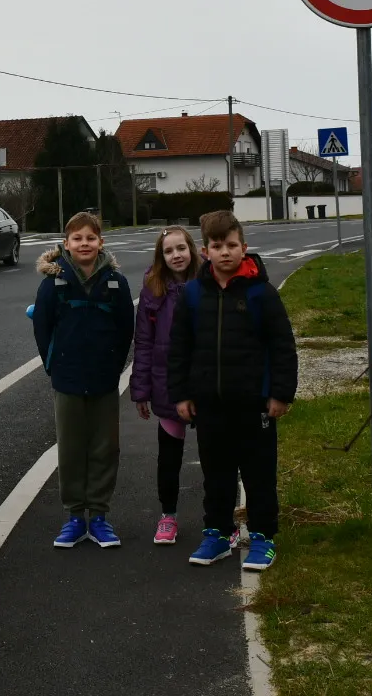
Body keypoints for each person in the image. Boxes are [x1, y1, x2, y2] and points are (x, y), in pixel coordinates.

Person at [168, 210, 298, 571]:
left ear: (244, 247)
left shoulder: (261, 294)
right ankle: (218, 533)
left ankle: (262, 536)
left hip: (254, 405)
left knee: (259, 474)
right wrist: (181, 393)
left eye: (230, 245)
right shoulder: (193, 295)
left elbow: (282, 346)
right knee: (216, 474)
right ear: (205, 251)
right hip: (210, 405)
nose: (224, 252)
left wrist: (280, 393)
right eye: (216, 246)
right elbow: (179, 347)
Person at [32, 211, 135, 548]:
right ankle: (75, 516)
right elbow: (42, 328)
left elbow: (125, 328)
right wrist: (53, 365)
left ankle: (100, 515)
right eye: (77, 239)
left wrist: (114, 365)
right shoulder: (53, 283)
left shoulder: (116, 283)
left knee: (105, 447)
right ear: (66, 244)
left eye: (90, 238)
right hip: (68, 379)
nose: (84, 244)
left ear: (101, 242)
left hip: (104, 379)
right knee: (71, 447)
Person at [131, 225, 203, 545]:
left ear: (192, 249)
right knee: (169, 457)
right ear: (161, 257)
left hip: (205, 383)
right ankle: (168, 516)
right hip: (167, 385)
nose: (176, 255)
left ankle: (218, 519)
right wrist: (141, 390)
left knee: (216, 457)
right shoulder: (153, 290)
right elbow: (144, 343)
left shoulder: (208, 283)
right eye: (169, 251)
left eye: (181, 248)